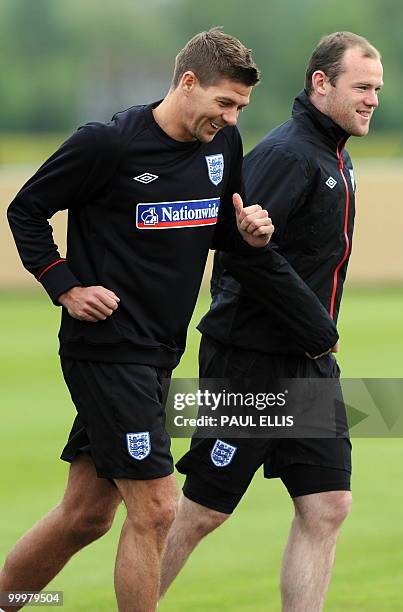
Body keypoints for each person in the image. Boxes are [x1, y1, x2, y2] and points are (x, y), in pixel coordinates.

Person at [2, 28, 279, 612]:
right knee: (155, 509)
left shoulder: (222, 146)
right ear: (186, 82)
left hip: (158, 351)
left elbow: (219, 228)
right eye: (223, 103)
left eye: (240, 108)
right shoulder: (107, 144)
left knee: (85, 517)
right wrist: (65, 285)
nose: (231, 118)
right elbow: (25, 208)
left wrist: (249, 233)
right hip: (106, 348)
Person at [160, 32, 383, 611]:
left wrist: (315, 338)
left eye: (376, 89)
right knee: (204, 510)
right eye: (361, 87)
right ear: (321, 83)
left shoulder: (333, 154)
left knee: (327, 504)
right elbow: (237, 250)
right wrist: (316, 325)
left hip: (308, 365)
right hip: (251, 362)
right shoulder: (288, 154)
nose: (372, 99)